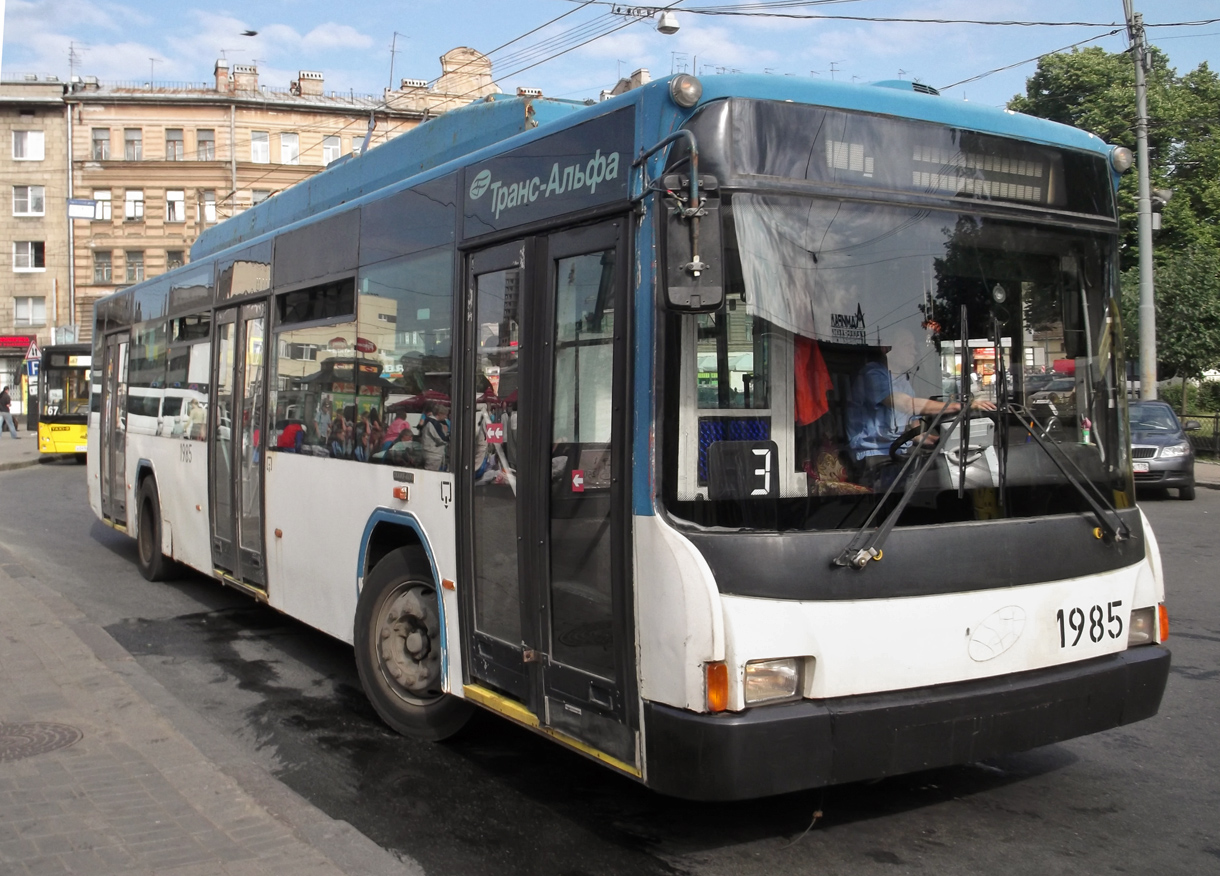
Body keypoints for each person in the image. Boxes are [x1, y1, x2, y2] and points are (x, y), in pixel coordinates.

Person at [847, 328, 995, 473]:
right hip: (872, 458)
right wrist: (961, 407)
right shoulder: (872, 375)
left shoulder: (903, 382)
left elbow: (916, 435)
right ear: (886, 349)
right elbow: (907, 405)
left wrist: (945, 441)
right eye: (907, 345)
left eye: (914, 346)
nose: (915, 351)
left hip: (897, 456)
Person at [417, 400, 450, 471]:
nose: (445, 417)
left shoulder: (427, 420)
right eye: (445, 414)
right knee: (430, 477)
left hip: (427, 451)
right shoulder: (434, 423)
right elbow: (442, 439)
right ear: (439, 414)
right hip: (433, 454)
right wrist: (448, 435)